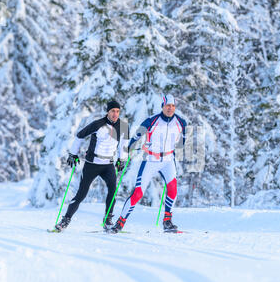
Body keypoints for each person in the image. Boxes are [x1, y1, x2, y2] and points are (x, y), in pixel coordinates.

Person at [110, 94, 187, 233]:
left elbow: (182, 141)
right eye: (167, 105)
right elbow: (135, 137)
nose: (170, 108)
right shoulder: (152, 121)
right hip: (151, 160)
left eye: (173, 106)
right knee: (138, 194)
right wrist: (127, 150)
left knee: (173, 190)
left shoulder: (181, 122)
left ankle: (167, 222)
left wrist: (176, 149)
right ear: (162, 106)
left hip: (168, 160)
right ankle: (119, 223)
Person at [54, 100, 129, 232]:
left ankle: (108, 220)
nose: (115, 114)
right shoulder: (98, 124)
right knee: (81, 194)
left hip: (108, 165)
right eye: (112, 111)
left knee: (113, 191)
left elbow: (124, 143)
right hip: (92, 165)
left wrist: (122, 159)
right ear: (108, 112)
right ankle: (65, 220)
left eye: (117, 111)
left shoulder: (123, 126)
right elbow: (80, 135)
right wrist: (73, 154)